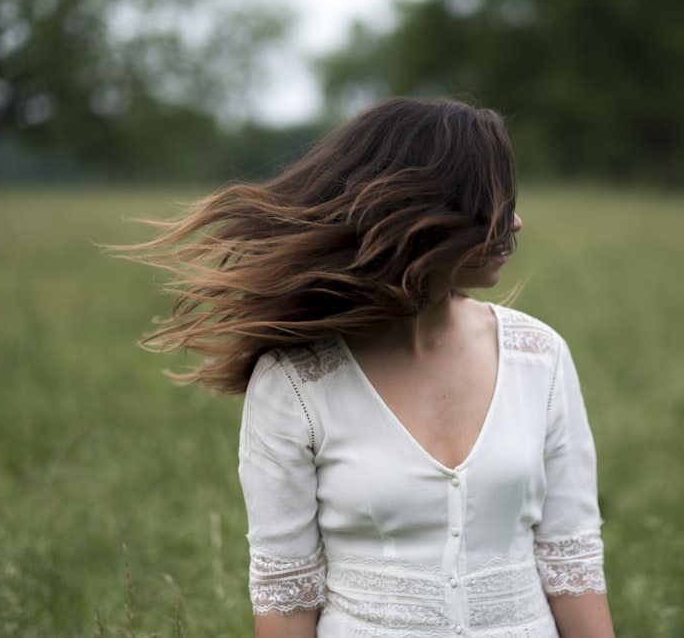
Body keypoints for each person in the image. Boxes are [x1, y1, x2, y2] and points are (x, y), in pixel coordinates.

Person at [125, 97, 615, 637]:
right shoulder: (295, 382)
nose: (516, 220)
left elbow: (573, 565)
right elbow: (287, 601)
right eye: (491, 200)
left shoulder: (538, 357)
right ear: (424, 212)